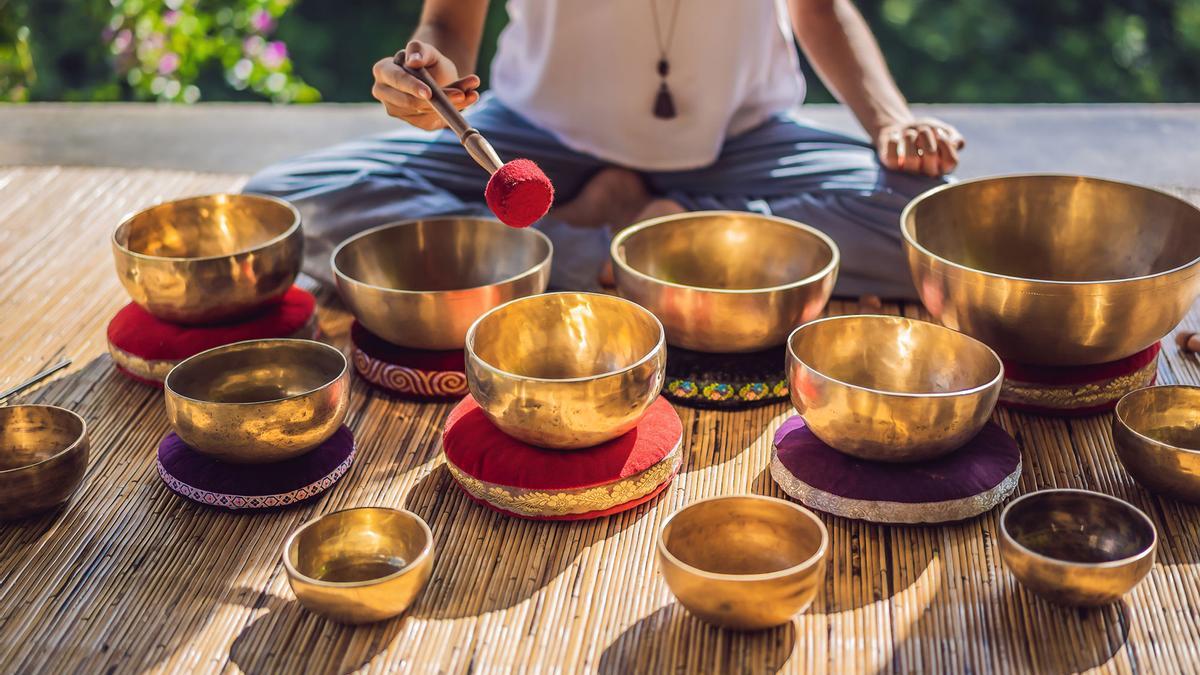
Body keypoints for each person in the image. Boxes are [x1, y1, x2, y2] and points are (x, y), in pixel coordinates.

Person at [245, 0, 964, 298]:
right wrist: (427, 81)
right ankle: (661, 246)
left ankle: (637, 226)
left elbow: (819, 8)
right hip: (538, 139)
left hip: (741, 145)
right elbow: (448, 21)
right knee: (276, 206)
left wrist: (889, 121)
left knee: (938, 227)